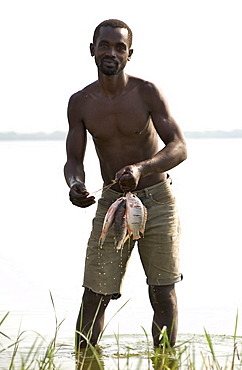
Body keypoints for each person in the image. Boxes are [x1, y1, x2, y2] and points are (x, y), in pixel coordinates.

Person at [64, 19, 187, 351]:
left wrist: (140, 167)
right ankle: (83, 360)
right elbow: (73, 160)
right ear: (92, 50)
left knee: (162, 291)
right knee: (95, 293)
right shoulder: (80, 102)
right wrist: (76, 184)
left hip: (157, 199)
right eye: (104, 45)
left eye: (119, 47)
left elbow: (179, 147)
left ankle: (165, 361)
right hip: (112, 203)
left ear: (129, 54)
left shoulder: (146, 92)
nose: (111, 52)